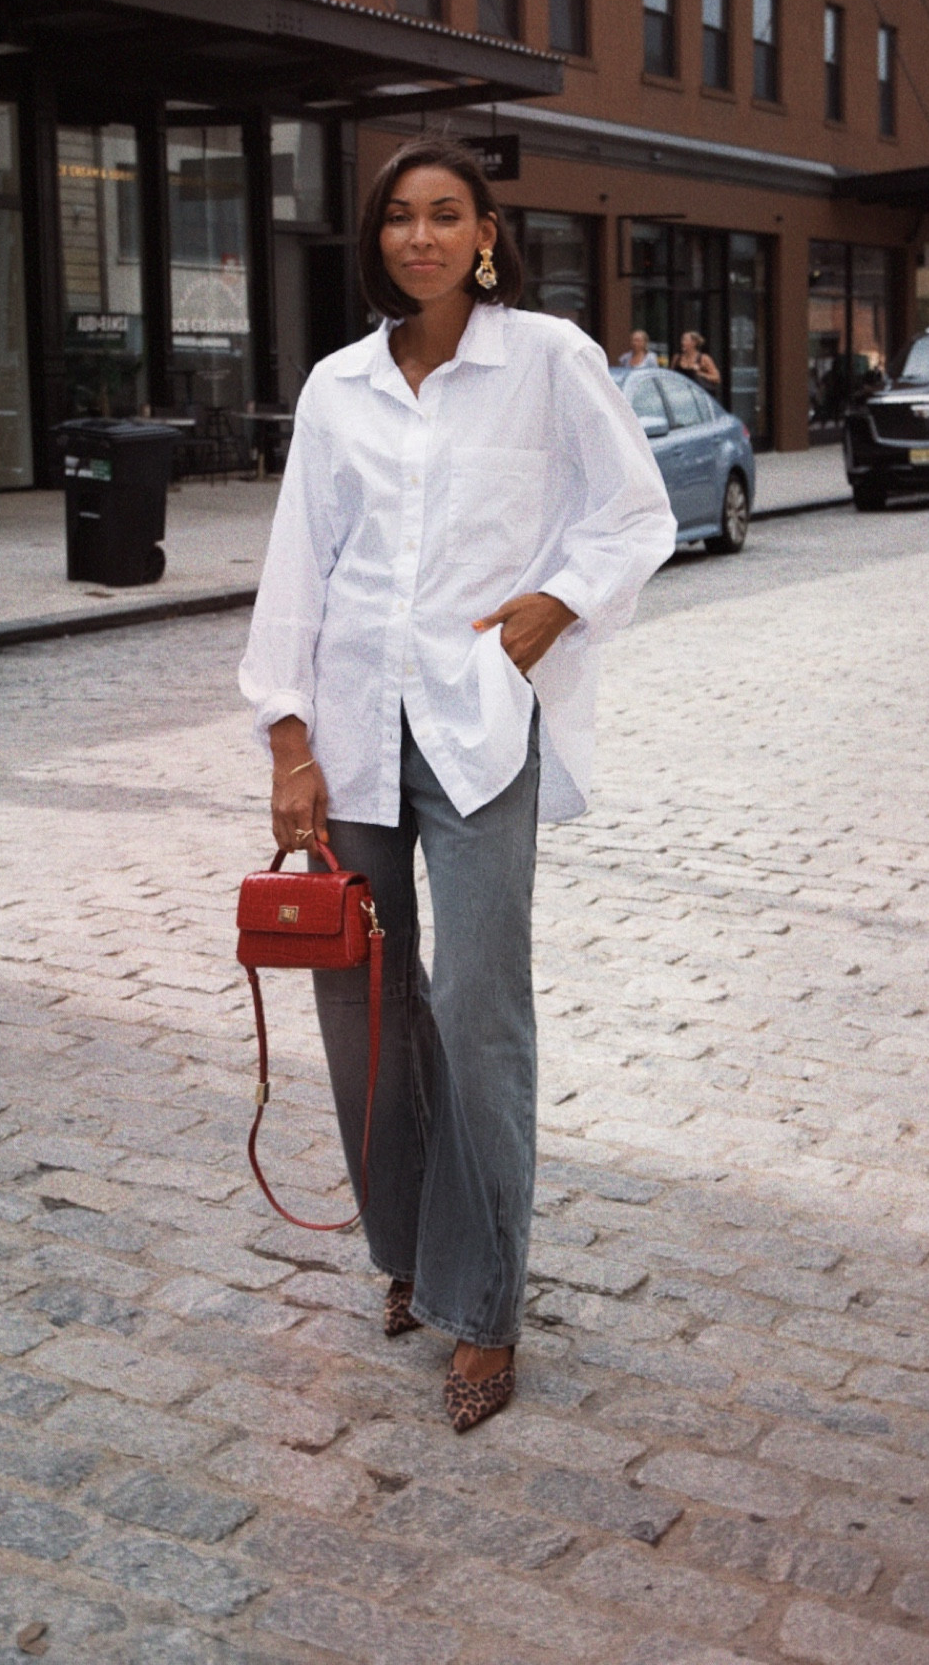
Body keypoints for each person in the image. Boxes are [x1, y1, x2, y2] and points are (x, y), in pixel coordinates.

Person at [239, 136, 676, 1432]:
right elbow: (298, 568)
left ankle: (483, 1305)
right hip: (352, 734)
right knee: (362, 1010)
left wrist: (559, 600)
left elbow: (635, 512)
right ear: (375, 238)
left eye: (445, 215)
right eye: (397, 217)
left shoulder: (547, 360)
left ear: (485, 233)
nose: (419, 236)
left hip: (480, 726)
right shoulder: (337, 387)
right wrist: (288, 741)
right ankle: (407, 1255)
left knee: (480, 1009)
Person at [673, 329, 721, 393]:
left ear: (694, 343)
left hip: (696, 393)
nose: (682, 343)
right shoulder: (677, 358)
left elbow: (716, 378)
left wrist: (700, 374)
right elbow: (671, 375)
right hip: (680, 393)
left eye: (685, 340)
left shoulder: (703, 358)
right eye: (682, 340)